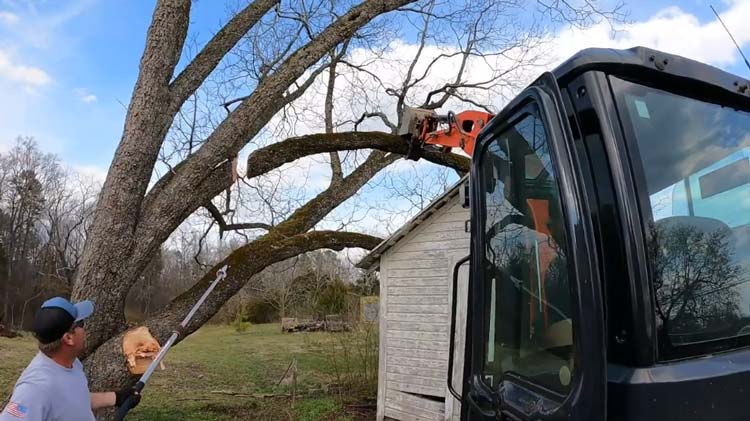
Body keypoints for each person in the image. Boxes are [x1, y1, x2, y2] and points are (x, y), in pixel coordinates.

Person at [1, 297, 140, 420]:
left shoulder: (72, 363)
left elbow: (74, 400)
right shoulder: (35, 388)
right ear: (68, 338)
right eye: (81, 324)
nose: (85, 329)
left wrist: (117, 398)